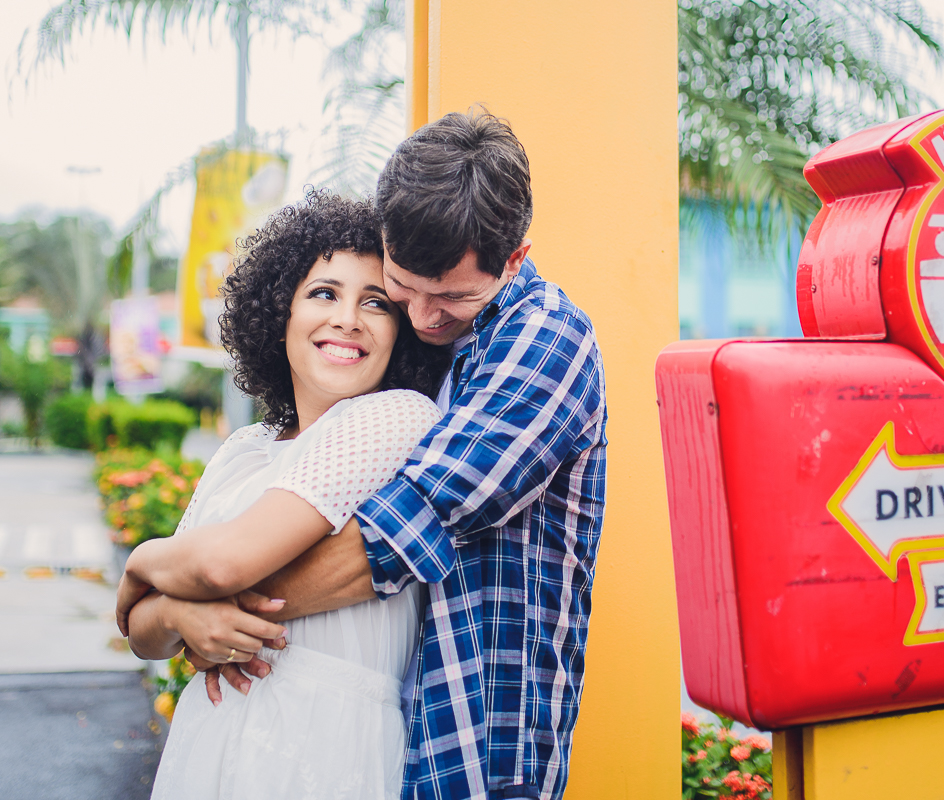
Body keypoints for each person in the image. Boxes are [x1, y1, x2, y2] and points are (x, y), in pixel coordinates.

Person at [127, 110, 608, 800]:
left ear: (516, 258)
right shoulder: (251, 446)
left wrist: (164, 581)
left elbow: (401, 538)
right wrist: (177, 614)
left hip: (480, 743)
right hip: (371, 739)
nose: (423, 319)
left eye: (453, 298)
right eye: (405, 288)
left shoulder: (540, 343)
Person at [119, 190, 449, 799]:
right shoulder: (244, 447)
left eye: (375, 303)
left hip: (324, 753)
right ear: (279, 315)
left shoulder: (396, 418)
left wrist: (142, 562)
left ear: (400, 331)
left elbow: (220, 564)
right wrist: (176, 613)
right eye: (324, 293)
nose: (347, 318)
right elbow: (145, 634)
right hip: (209, 744)